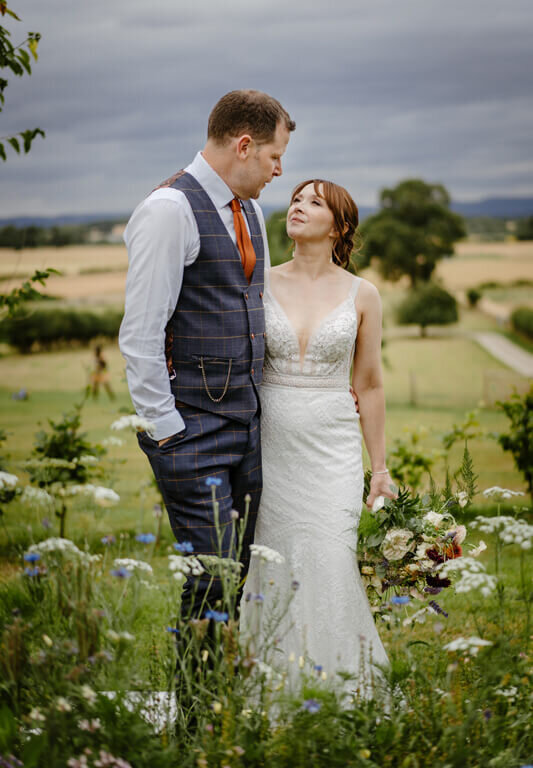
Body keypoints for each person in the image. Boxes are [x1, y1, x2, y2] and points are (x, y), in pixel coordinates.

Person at [119, 90, 295, 621]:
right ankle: (199, 707)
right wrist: (166, 429)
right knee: (211, 582)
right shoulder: (169, 210)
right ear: (244, 145)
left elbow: (251, 309)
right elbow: (140, 333)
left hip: (248, 428)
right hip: (191, 430)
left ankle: (222, 702)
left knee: (236, 577)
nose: (279, 170)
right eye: (273, 156)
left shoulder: (254, 212)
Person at [241, 178, 396, 689]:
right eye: (296, 199)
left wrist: (380, 469)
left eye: (315, 202)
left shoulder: (363, 294)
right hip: (268, 449)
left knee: (330, 559)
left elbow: (369, 384)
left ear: (341, 226)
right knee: (273, 564)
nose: (299, 207)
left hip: (332, 451)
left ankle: (345, 692)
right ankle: (271, 690)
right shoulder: (258, 279)